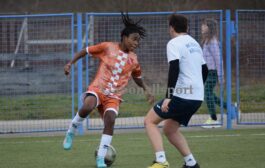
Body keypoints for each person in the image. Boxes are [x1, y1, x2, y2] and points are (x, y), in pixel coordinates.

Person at [63, 13, 154, 168]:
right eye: (134, 39)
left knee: (110, 120)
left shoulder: (134, 60)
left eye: (138, 40)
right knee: (87, 105)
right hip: (98, 88)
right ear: (124, 37)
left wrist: (146, 88)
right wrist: (70, 63)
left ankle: (100, 158)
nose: (136, 43)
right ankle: (72, 130)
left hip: (114, 96)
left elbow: (137, 77)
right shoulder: (107, 47)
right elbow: (86, 50)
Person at [144, 14, 208, 168]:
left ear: (171, 27)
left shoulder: (173, 43)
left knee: (149, 121)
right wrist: (196, 89)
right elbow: (205, 70)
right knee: (169, 129)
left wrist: (168, 97)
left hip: (182, 96)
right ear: (186, 28)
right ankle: (191, 163)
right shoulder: (194, 43)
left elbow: (174, 69)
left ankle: (161, 161)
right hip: (197, 97)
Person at [201, 18, 226, 128]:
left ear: (209, 28)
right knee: (209, 94)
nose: (202, 27)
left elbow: (218, 60)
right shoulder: (206, 41)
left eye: (204, 25)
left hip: (213, 72)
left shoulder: (213, 42)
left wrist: (221, 77)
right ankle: (231, 108)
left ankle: (213, 119)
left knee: (207, 94)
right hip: (207, 72)